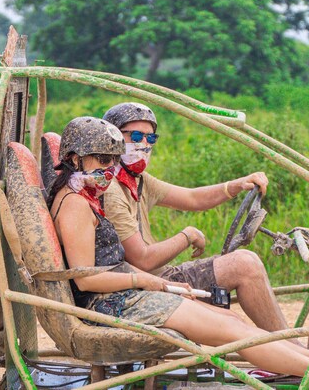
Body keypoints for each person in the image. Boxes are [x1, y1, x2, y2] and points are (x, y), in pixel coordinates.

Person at [48, 116, 309, 390]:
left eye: (114, 161)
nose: (110, 169)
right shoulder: (75, 205)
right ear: (76, 160)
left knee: (229, 319)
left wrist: (153, 283)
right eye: (103, 160)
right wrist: (150, 282)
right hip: (113, 305)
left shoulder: (85, 195)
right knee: (231, 331)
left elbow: (188, 197)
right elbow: (86, 280)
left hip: (127, 296)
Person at [102, 102, 287, 333]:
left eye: (151, 139)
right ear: (113, 139)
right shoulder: (110, 190)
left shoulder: (137, 180)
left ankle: (293, 352)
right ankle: (291, 351)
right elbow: (143, 260)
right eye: (136, 136)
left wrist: (236, 185)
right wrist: (187, 235)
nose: (144, 145)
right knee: (245, 265)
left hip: (155, 277)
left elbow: (191, 198)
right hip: (143, 285)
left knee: (245, 264)